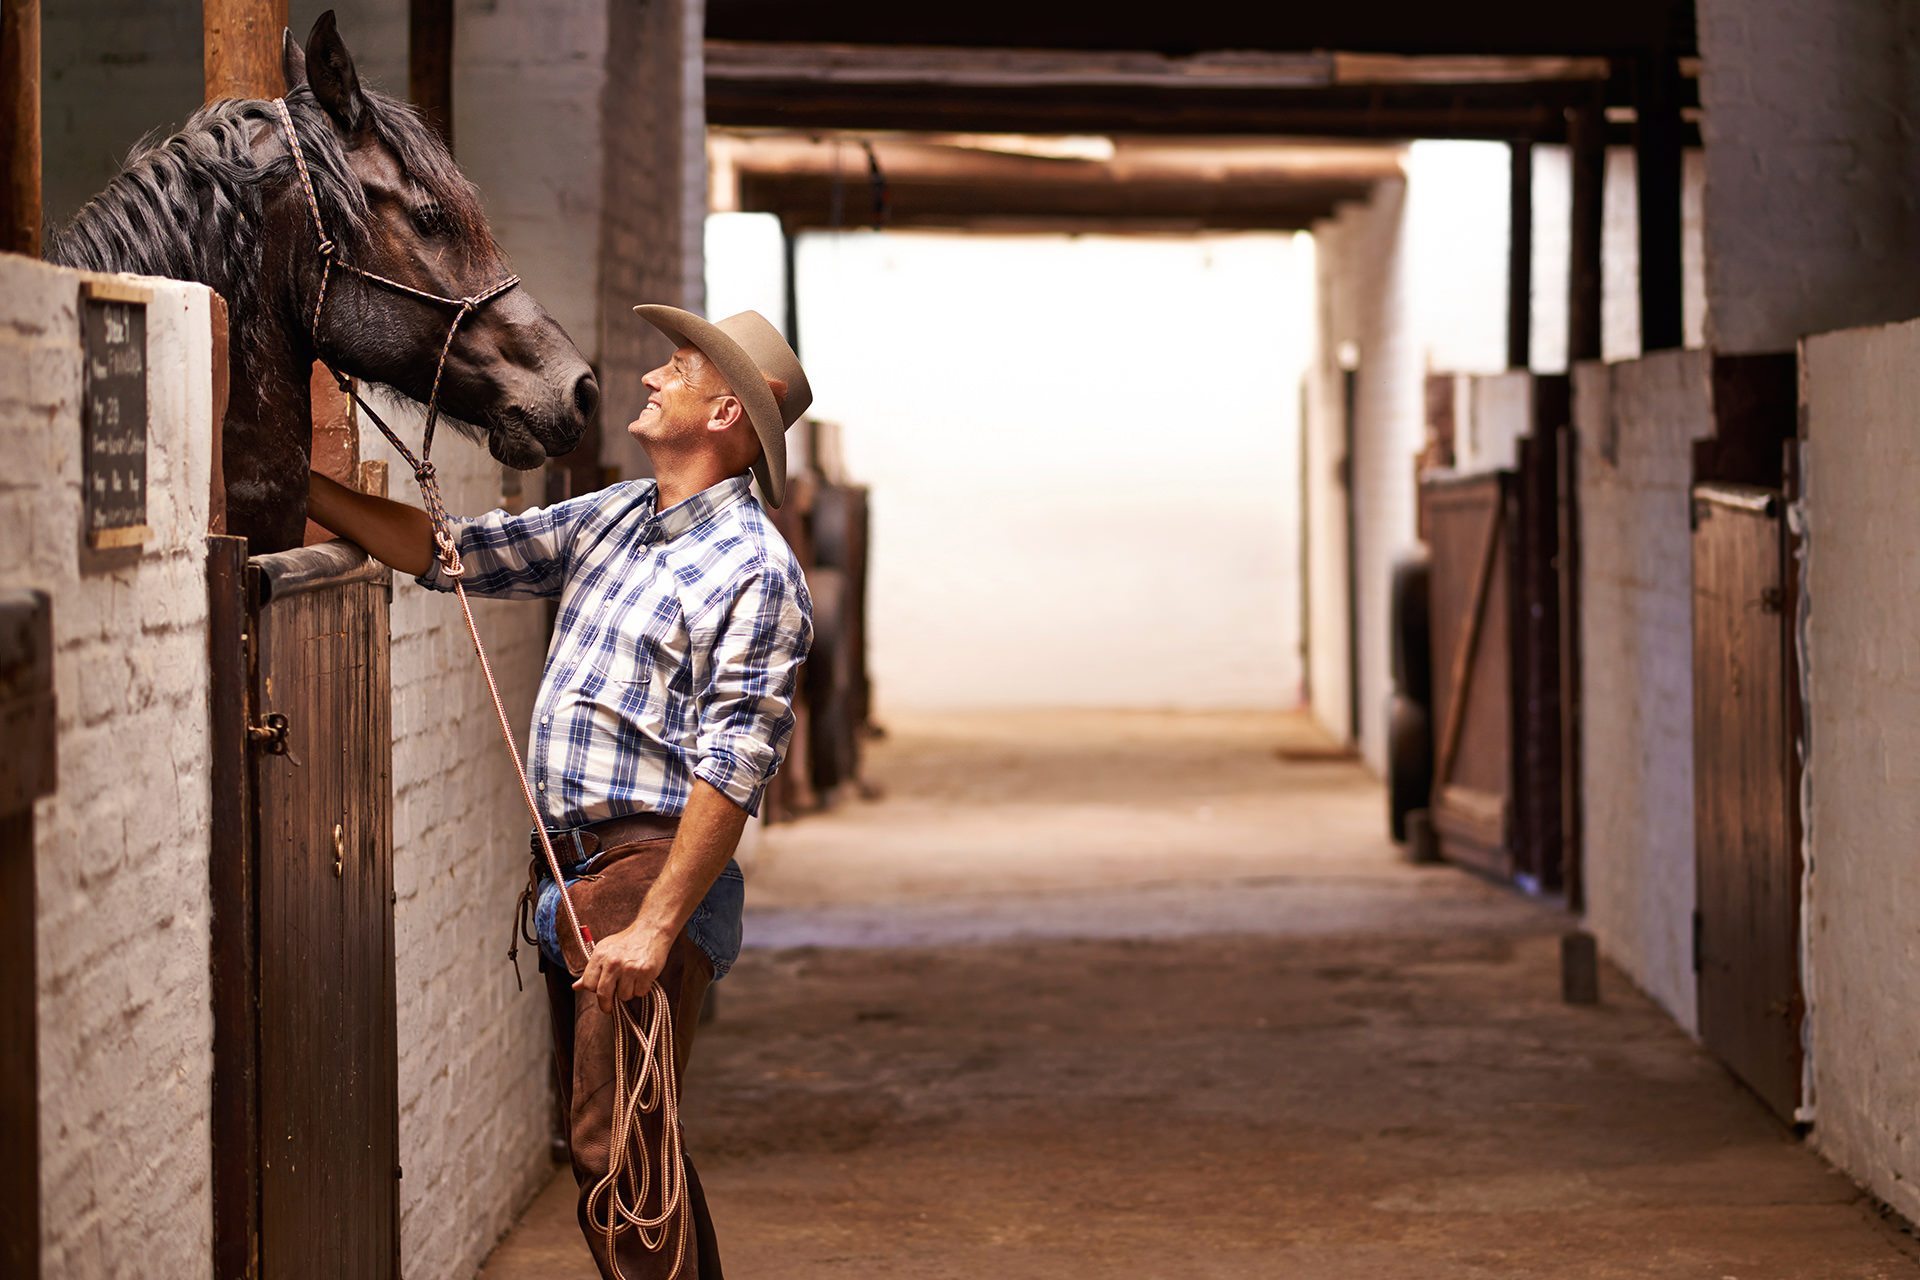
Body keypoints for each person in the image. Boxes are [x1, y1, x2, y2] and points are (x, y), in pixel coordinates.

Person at [307, 306, 814, 1279]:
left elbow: (733, 764)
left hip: (644, 877)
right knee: (634, 1148)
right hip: (578, 883)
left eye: (679, 367)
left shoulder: (756, 569)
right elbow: (452, 550)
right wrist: (309, 493)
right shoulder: (618, 514)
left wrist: (656, 925)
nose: (654, 378)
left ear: (725, 418)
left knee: (616, 1158)